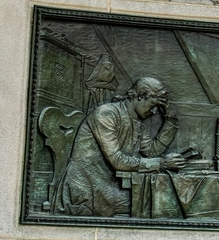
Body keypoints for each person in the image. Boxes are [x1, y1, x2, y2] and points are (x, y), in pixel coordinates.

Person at [57, 76, 196, 218]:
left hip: (111, 187)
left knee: (162, 200)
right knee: (159, 203)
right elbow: (117, 160)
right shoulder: (106, 114)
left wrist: (170, 120)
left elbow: (151, 151)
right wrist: (161, 163)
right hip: (86, 190)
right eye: (153, 105)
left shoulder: (138, 120)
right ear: (141, 96)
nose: (154, 112)